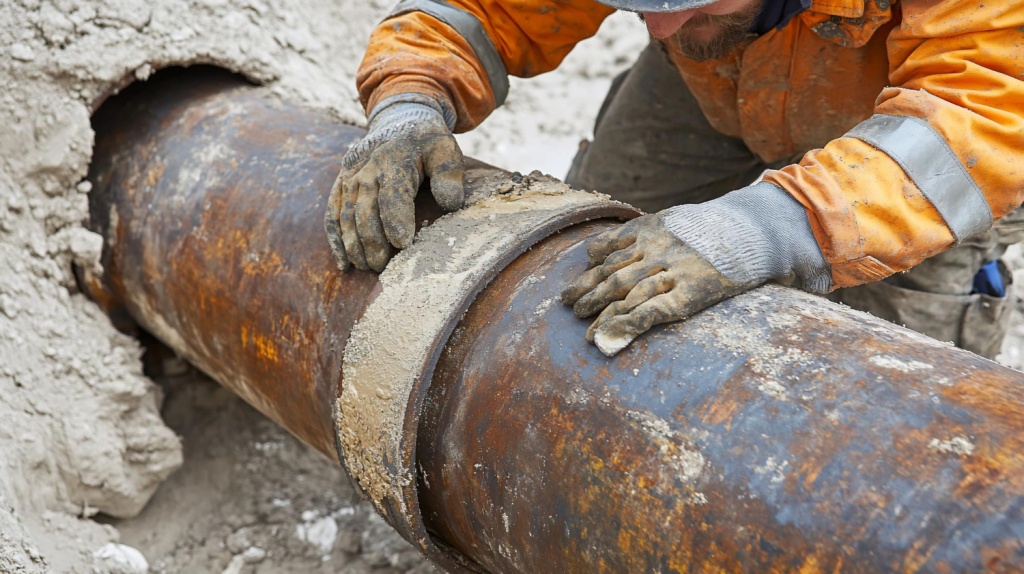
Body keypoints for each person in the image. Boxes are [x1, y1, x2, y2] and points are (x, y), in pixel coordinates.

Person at [325, 0, 1024, 358]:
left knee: (886, 398)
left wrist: (770, 226)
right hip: (717, 82)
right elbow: (484, 10)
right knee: (588, 253)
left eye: (692, 0)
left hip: (935, 126)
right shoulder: (685, 23)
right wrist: (409, 101)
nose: (659, 28)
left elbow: (982, 110)